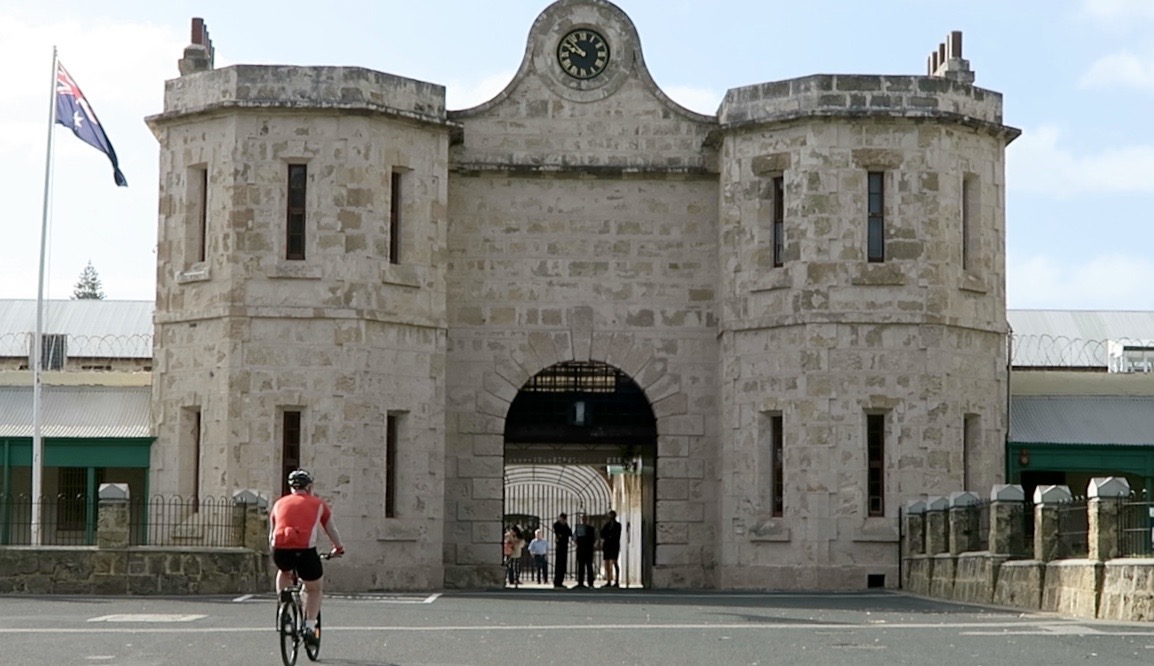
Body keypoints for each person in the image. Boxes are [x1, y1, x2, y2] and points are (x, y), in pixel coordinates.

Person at [269, 469, 345, 647]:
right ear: (309, 487)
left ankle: (283, 606)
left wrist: (273, 551)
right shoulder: (318, 504)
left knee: (285, 571)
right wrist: (338, 548)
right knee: (314, 589)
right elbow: (331, 529)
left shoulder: (279, 504)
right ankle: (310, 626)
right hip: (305, 551)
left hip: (279, 550)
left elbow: (272, 533)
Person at [573, 513, 597, 588]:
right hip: (582, 549)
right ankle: (581, 582)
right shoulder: (579, 528)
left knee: (589, 566)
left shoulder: (591, 529)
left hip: (588, 549)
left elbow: (595, 539)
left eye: (585, 519)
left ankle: (590, 583)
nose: (584, 521)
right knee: (581, 566)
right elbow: (574, 537)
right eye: (583, 519)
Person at [599, 509, 622, 588]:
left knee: (615, 562)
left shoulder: (618, 525)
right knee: (607, 564)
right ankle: (608, 580)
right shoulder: (607, 525)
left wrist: (608, 535)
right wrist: (609, 535)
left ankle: (616, 581)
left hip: (614, 546)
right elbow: (602, 534)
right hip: (607, 546)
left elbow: (616, 535)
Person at [552, 512, 573, 588]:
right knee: (559, 564)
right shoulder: (557, 525)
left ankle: (561, 581)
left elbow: (570, 533)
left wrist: (565, 525)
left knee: (563, 565)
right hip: (559, 546)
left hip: (565, 546)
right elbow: (559, 534)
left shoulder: (565, 525)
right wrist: (563, 533)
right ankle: (557, 581)